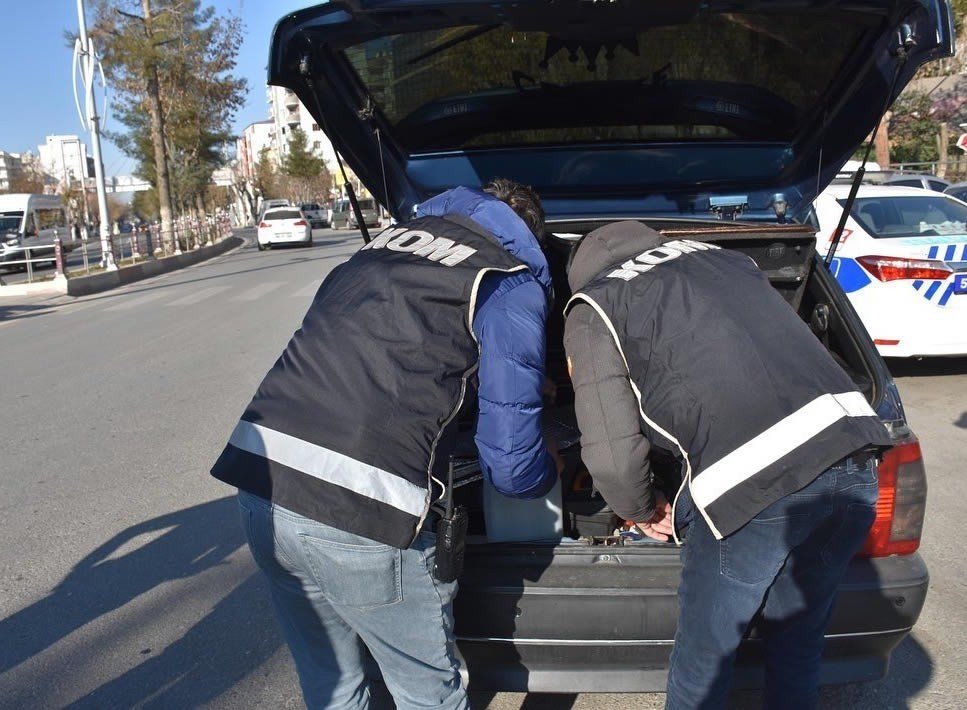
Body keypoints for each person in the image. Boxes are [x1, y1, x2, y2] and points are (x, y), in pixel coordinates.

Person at [211, 179, 561, 709]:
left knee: (334, 685)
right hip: (363, 510)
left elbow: (382, 361)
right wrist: (553, 466)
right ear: (528, 234)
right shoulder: (508, 280)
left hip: (264, 485)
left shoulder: (375, 251)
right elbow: (511, 466)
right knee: (427, 694)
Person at [562, 221, 892, 709]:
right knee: (798, 640)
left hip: (751, 485)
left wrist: (642, 507)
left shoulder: (594, 307)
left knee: (705, 662)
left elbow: (610, 454)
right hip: (853, 451)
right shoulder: (725, 258)